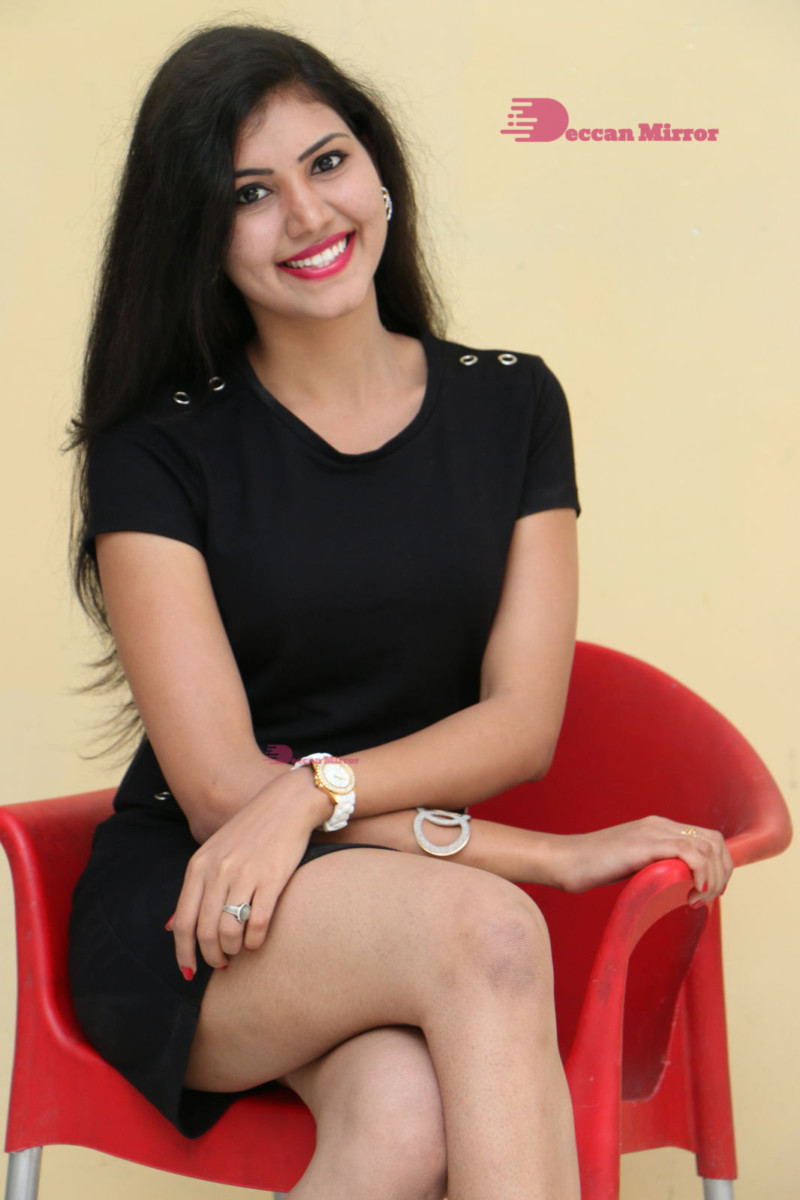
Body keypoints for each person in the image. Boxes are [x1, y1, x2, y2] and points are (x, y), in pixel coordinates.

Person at [67, 22, 733, 1200]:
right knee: (490, 932)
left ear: (377, 170)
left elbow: (518, 725)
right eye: (249, 194)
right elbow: (222, 793)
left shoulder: (511, 407)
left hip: (381, 895)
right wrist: (543, 859)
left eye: (326, 163)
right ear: (199, 235)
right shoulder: (155, 449)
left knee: (403, 1120)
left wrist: (312, 791)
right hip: (202, 899)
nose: (306, 216)